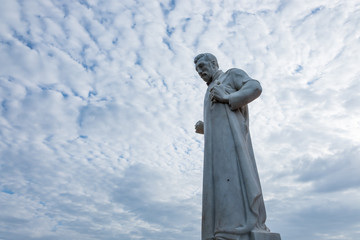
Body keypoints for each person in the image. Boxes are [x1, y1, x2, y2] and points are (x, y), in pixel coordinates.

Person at [194, 53, 270, 240]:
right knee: (218, 185)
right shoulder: (209, 89)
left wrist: (228, 98)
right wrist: (206, 127)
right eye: (197, 70)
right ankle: (220, 230)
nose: (200, 71)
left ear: (214, 64)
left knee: (234, 180)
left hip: (232, 145)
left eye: (203, 66)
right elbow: (221, 117)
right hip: (215, 150)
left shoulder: (231, 75)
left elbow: (255, 87)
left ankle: (235, 230)